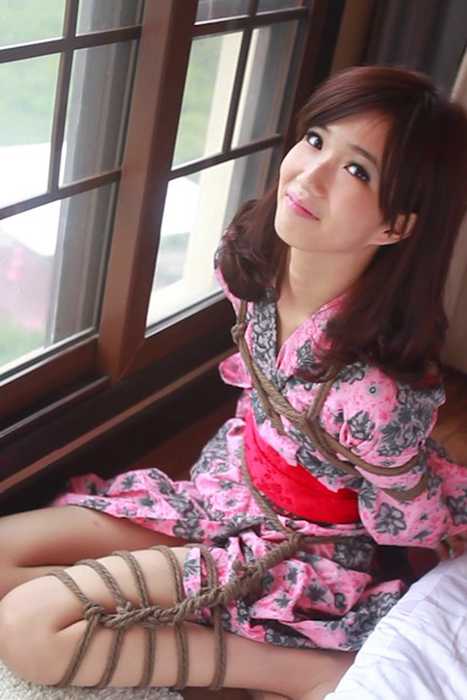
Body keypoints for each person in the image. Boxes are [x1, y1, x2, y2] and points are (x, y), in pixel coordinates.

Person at [1, 64, 467, 700]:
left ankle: (302, 670)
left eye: (357, 171)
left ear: (397, 226)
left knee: (30, 630)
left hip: (295, 546)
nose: (310, 175)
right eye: (316, 140)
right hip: (224, 494)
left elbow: (406, 520)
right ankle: (182, 606)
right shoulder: (252, 268)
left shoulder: (375, 394)